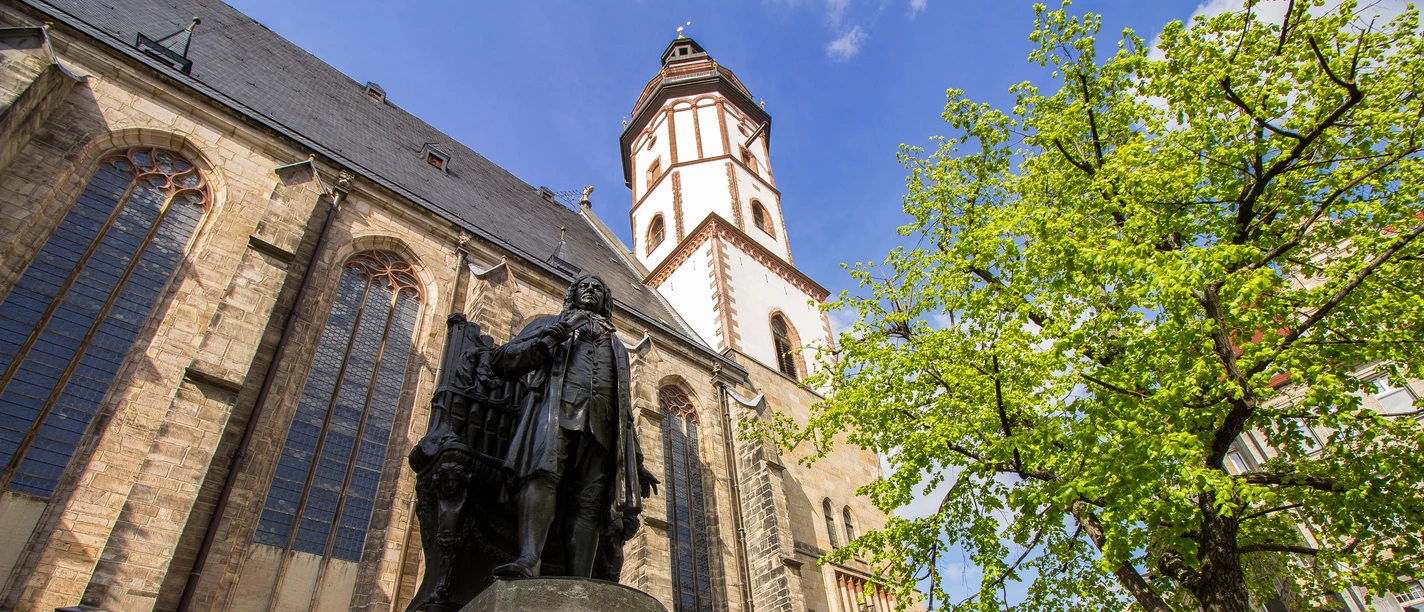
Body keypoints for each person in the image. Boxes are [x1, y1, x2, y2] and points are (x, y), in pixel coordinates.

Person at [491, 273, 659, 578]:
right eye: (585, 286)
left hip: (604, 426)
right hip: (557, 411)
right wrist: (550, 338)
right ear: (573, 294)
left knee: (591, 500)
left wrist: (636, 459)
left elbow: (626, 409)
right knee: (542, 474)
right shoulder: (551, 324)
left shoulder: (617, 346)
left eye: (598, 288)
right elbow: (502, 360)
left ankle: (580, 579)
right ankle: (530, 558)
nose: (591, 290)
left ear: (607, 301)